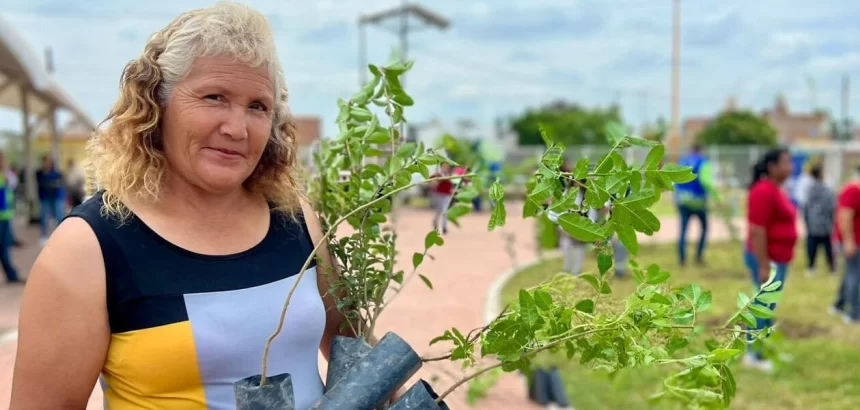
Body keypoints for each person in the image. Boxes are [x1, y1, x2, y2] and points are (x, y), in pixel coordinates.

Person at [11, 3, 389, 408]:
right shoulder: (89, 248)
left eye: (257, 106)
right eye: (214, 97)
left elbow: (351, 348)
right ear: (157, 104)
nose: (236, 128)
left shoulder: (297, 220)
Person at [743, 148, 796, 371]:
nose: (790, 166)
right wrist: (764, 264)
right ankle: (752, 355)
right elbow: (757, 229)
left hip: (778, 258)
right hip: (767, 259)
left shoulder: (775, 189)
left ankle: (764, 349)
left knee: (768, 306)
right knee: (762, 306)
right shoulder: (763, 190)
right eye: (785, 162)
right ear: (772, 167)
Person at [675, 144, 719, 266]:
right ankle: (699, 256)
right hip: (698, 201)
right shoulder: (703, 162)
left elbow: (676, 181)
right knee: (704, 228)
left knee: (683, 230)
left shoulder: (682, 161)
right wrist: (717, 196)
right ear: (701, 150)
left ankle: (682, 258)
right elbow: (705, 181)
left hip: (683, 200)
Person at [831, 166, 860, 325]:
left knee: (850, 273)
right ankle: (854, 313)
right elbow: (844, 217)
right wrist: (849, 242)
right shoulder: (853, 190)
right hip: (852, 241)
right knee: (855, 275)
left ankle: (839, 304)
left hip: (854, 240)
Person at [803, 164, 836, 276]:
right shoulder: (827, 189)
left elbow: (805, 207)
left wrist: (807, 221)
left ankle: (811, 267)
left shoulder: (809, 190)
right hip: (825, 224)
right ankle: (832, 269)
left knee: (812, 247)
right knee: (828, 248)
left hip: (813, 223)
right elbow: (832, 206)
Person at [35, 155, 66, 246]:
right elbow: (42, 183)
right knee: (44, 217)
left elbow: (59, 183)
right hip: (45, 198)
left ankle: (61, 235)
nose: (47, 164)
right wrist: (51, 183)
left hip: (56, 197)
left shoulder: (57, 173)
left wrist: (51, 184)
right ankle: (44, 235)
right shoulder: (39, 173)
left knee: (59, 215)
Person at [0, 151, 20, 284]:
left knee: (4, 246)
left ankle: (12, 275)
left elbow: (13, 183)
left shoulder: (6, 175)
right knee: (3, 246)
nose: (4, 162)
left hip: (6, 215)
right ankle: (12, 275)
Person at [430, 162, 454, 234]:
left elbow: (450, 185)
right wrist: (436, 179)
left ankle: (444, 227)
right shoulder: (439, 174)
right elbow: (430, 179)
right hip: (439, 194)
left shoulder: (450, 175)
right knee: (439, 210)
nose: (446, 167)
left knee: (445, 211)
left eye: (447, 166)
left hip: (447, 195)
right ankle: (435, 222)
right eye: (444, 166)